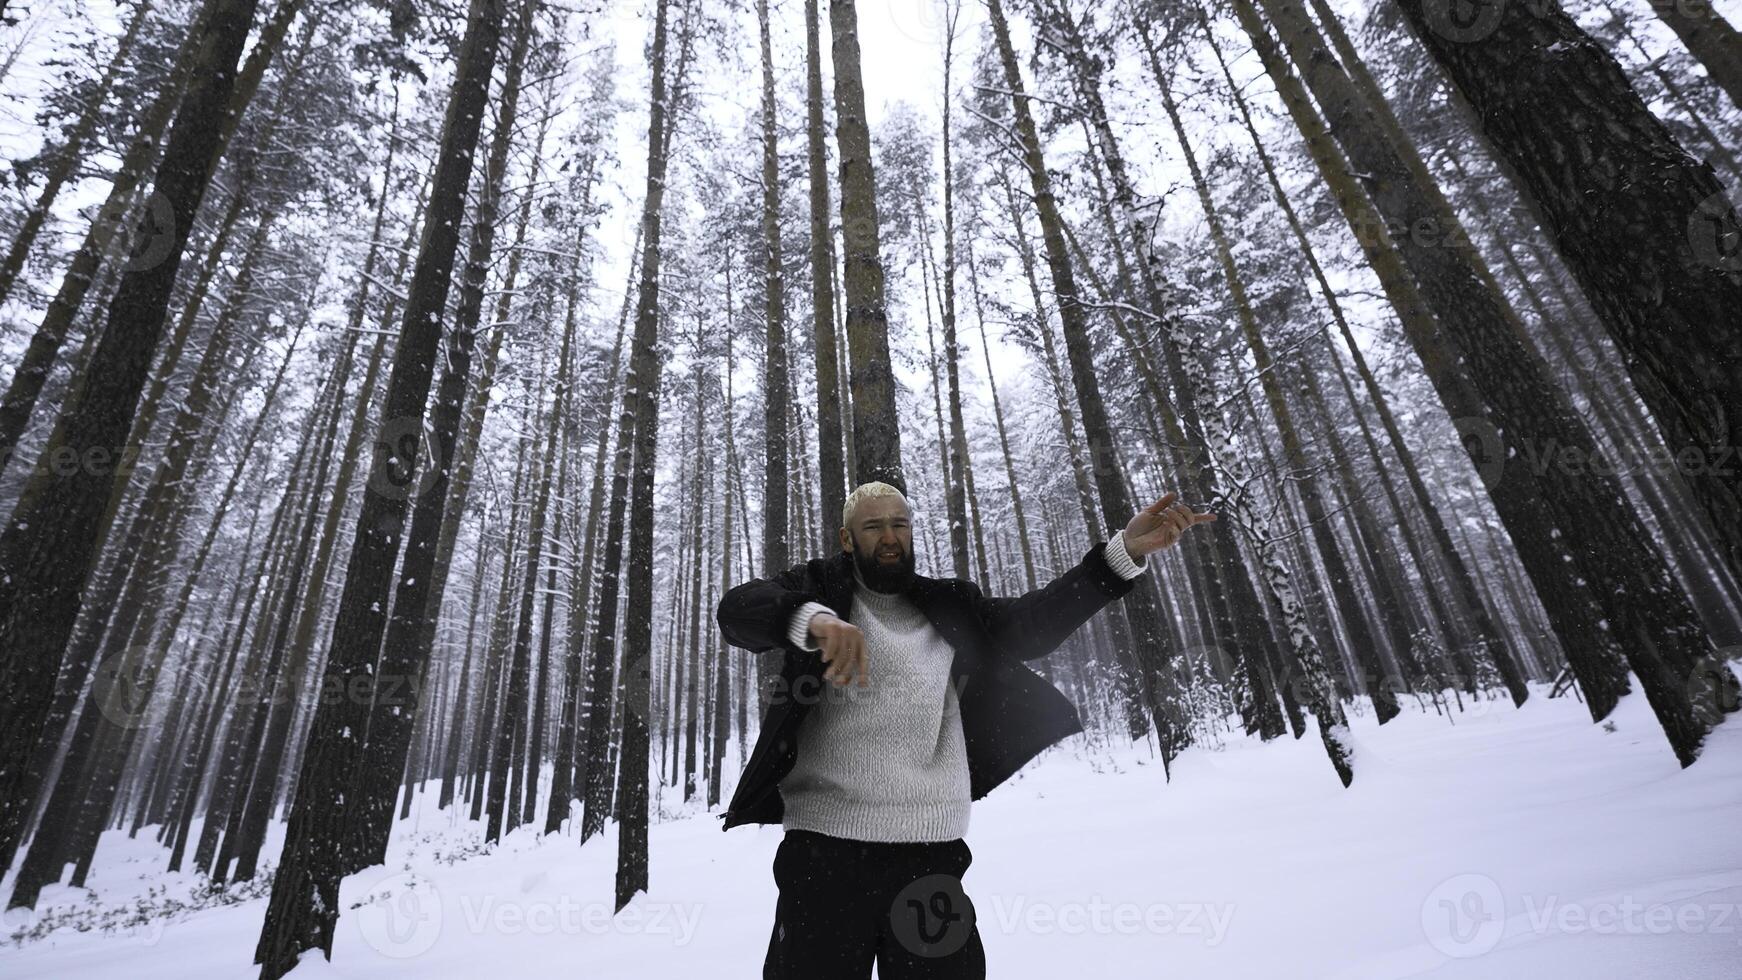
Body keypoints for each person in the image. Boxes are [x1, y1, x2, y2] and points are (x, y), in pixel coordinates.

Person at [716, 480, 1215, 978]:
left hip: (930, 858)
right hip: (824, 855)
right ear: (848, 540)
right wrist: (810, 620)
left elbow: (1033, 624)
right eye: (873, 527)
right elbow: (738, 610)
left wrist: (1121, 554)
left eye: (899, 524)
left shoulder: (950, 604)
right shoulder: (818, 590)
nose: (890, 537)